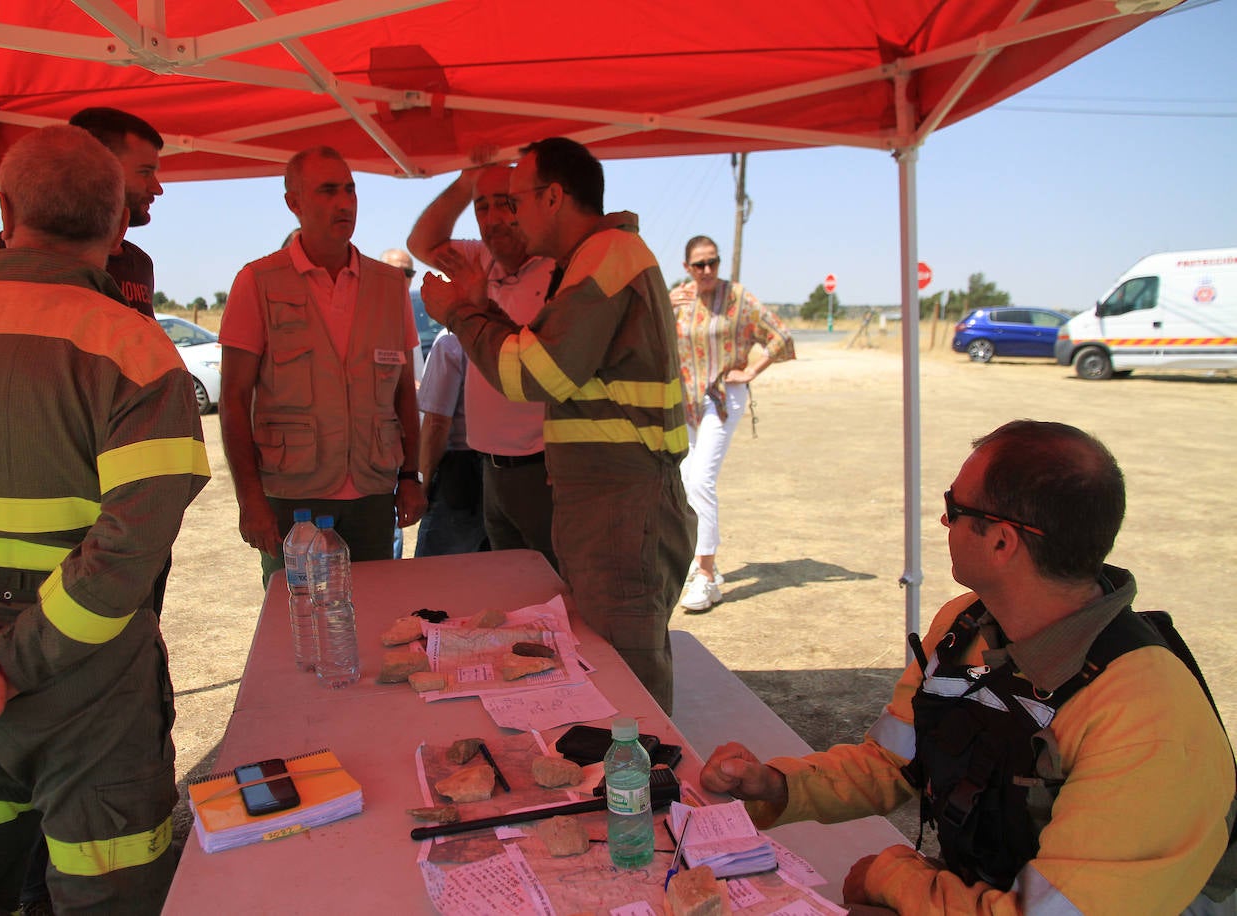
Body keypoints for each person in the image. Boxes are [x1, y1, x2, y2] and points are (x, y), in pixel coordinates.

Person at [0, 125, 209, 914]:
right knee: (111, 894)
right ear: (117, 220)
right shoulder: (139, 353)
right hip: (89, 695)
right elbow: (128, 554)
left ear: (6, 209)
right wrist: (15, 661)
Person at [701, 420, 1234, 914]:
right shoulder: (966, 628)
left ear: (1002, 540)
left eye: (953, 507)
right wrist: (776, 785)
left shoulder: (1147, 716)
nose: (942, 522)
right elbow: (895, 764)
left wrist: (895, 877)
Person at [421, 137, 694, 714]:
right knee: (610, 660)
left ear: (552, 197)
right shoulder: (597, 257)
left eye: (515, 200)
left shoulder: (606, 257)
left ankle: (647, 793)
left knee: (629, 680)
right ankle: (629, 782)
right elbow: (542, 353)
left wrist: (460, 313)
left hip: (622, 505)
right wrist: (483, 310)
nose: (510, 216)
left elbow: (535, 374)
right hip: (610, 502)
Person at [219, 145, 424, 583]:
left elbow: (404, 390)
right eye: (328, 190)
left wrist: (410, 475)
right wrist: (250, 500)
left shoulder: (389, 286)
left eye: (350, 190)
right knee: (300, 624)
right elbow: (233, 399)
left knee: (376, 620)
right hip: (294, 498)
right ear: (293, 202)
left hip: (372, 494)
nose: (344, 202)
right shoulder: (257, 282)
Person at [408, 163, 558, 571]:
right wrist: (464, 182)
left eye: (505, 204)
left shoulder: (557, 271)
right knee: (507, 592)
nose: (492, 219)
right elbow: (421, 241)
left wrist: (472, 309)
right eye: (482, 206)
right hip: (490, 467)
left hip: (541, 468)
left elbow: (549, 369)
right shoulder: (480, 258)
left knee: (552, 593)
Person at [0, 107, 164, 317]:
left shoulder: (139, 263)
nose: (157, 188)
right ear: (98, 163)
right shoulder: (10, 252)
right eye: (145, 172)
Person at [671, 235, 795, 612]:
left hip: (722, 396)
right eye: (699, 264)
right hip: (686, 401)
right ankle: (702, 559)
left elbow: (779, 334)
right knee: (685, 478)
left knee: (700, 480)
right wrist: (662, 304)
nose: (707, 270)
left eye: (713, 262)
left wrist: (752, 369)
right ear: (686, 268)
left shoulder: (737, 297)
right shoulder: (678, 298)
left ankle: (706, 576)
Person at [412, 327, 489, 557]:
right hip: (503, 468)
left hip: (459, 475)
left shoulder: (450, 343)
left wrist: (423, 485)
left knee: (434, 576)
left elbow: (436, 424)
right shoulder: (507, 336)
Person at [380, 247, 419, 560]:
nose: (401, 279)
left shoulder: (415, 314)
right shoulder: (373, 316)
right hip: (379, 442)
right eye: (395, 272)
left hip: (407, 438)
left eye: (408, 273)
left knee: (393, 531)